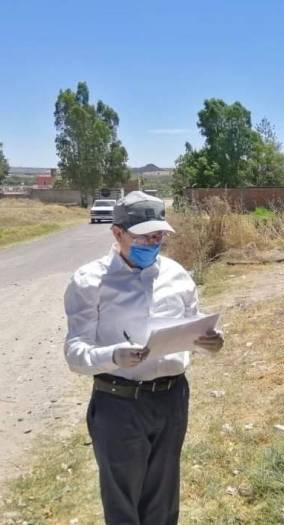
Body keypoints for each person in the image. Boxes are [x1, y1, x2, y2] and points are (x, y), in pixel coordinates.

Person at [64, 191, 224, 525]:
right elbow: (75, 352)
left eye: (158, 236)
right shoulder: (90, 281)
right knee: (123, 503)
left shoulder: (177, 275)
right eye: (144, 236)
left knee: (163, 501)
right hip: (118, 403)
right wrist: (114, 356)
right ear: (117, 233)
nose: (153, 243)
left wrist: (210, 341)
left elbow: (192, 325)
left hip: (171, 399)